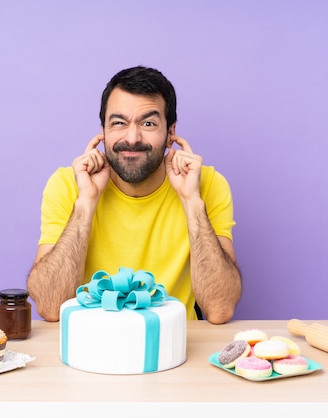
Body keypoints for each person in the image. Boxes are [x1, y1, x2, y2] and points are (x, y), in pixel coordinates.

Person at [26, 66, 242, 324]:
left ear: (171, 132)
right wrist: (85, 203)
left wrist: (192, 202)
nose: (132, 137)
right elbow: (50, 307)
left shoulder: (206, 184)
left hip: (176, 346)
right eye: (118, 123)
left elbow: (220, 309)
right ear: (103, 131)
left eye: (148, 123)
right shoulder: (67, 184)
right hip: (91, 343)